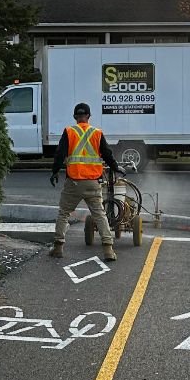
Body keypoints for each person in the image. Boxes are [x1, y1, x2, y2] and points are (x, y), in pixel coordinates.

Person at [50, 102, 118, 261]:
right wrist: (115, 167)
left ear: (75, 117)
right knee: (100, 214)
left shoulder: (69, 131)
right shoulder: (97, 133)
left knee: (63, 213)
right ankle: (108, 250)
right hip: (93, 182)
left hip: (74, 182)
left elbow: (60, 154)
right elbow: (107, 153)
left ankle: (58, 247)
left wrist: (54, 172)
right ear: (88, 116)